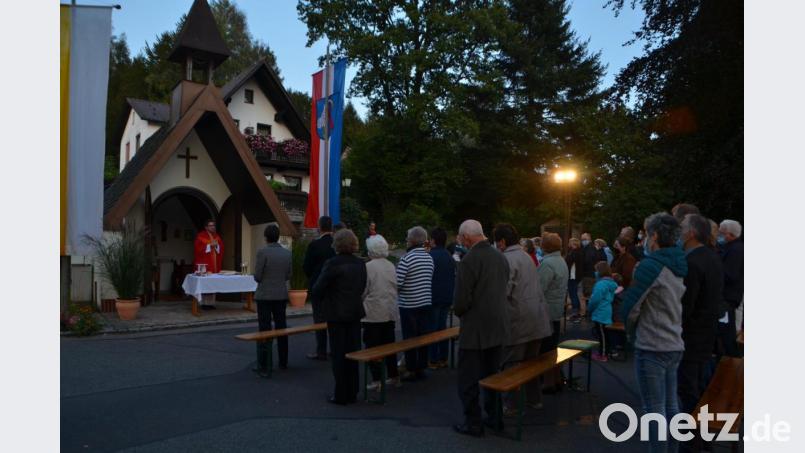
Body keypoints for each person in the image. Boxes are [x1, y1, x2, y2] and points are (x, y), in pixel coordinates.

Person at [621, 213, 688, 452]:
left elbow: (631, 307)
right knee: (671, 406)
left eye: (647, 235)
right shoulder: (679, 263)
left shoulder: (652, 266)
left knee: (654, 410)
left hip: (652, 345)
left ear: (655, 236)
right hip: (674, 342)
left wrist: (630, 332)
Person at [453, 220, 510, 437]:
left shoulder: (470, 260)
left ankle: (473, 422)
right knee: (492, 375)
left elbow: (460, 301)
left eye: (461, 238)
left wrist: (459, 311)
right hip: (498, 325)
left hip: (475, 329)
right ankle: (495, 418)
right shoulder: (499, 256)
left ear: (466, 238)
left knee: (468, 379)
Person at [493, 224, 552, 414]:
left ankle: (511, 405)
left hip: (518, 319)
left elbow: (504, 291)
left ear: (501, 242)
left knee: (512, 364)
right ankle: (534, 400)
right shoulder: (526, 256)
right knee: (531, 363)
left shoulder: (506, 259)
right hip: (537, 318)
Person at [677, 214, 724, 450]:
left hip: (692, 337)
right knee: (697, 386)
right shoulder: (711, 257)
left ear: (691, 233)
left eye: (682, 228)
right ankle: (698, 436)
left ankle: (692, 440)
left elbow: (687, 305)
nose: (679, 231)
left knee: (689, 389)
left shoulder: (693, 262)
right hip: (706, 333)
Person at [311, 229, 367, 405]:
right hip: (354, 312)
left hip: (336, 313)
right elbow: (362, 286)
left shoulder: (332, 263)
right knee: (353, 352)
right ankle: (353, 390)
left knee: (339, 354)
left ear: (337, 244)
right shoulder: (360, 263)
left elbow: (318, 288)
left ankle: (341, 393)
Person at [361, 234, 400, 389]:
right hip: (389, 310)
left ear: (371, 250)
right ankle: (393, 375)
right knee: (389, 345)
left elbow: (364, 290)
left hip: (373, 312)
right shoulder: (390, 265)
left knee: (372, 347)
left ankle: (377, 379)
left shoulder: (368, 267)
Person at [252, 224, 292, 376]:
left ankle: (264, 362)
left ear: (266, 237)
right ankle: (283, 361)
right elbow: (288, 275)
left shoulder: (263, 252)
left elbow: (257, 276)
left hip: (265, 295)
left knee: (265, 329)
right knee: (282, 328)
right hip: (280, 295)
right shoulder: (286, 253)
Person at [396, 226, 435, 381]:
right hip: (425, 302)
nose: (406, 240)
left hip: (409, 304)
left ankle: (411, 368)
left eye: (407, 237)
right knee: (423, 336)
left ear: (412, 240)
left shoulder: (407, 259)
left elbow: (398, 283)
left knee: (410, 338)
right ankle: (421, 367)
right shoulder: (428, 258)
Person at [536, 233, 568, 391]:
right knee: (551, 347)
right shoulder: (561, 261)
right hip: (556, 310)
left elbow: (539, 289)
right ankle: (555, 380)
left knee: (544, 350)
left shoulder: (547, 264)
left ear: (545, 247)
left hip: (546, 311)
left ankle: (547, 383)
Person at [303, 216, 336, 360]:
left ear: (319, 227)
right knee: (334, 318)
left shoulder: (314, 245)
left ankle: (321, 350)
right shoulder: (336, 244)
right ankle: (335, 348)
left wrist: (314, 277)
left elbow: (307, 267)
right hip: (335, 287)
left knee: (319, 319)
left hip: (318, 286)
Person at [428, 227, 456, 369]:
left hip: (433, 297)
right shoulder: (449, 256)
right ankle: (443, 358)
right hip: (447, 296)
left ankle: (433, 359)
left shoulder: (430, 256)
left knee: (433, 328)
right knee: (442, 327)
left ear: (433, 240)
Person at [717, 219, 744, 358]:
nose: (718, 235)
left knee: (727, 335)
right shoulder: (733, 248)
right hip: (730, 297)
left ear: (730, 235)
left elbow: (730, 274)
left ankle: (731, 360)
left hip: (728, 297)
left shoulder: (736, 250)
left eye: (721, 233)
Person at [587, 261, 617, 362]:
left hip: (600, 312)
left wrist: (589, 308)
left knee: (602, 335)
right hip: (606, 310)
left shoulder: (600, 284)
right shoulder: (611, 283)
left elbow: (595, 299)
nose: (595, 272)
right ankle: (606, 351)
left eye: (596, 270)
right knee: (605, 334)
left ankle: (603, 355)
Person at [193, 219, 224, 309]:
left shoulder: (217, 236)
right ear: (206, 227)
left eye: (213, 225)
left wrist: (217, 246)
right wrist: (209, 246)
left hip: (214, 265)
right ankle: (203, 303)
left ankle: (211, 303)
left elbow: (221, 248)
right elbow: (197, 249)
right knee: (205, 284)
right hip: (205, 264)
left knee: (212, 284)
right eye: (210, 225)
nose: (213, 227)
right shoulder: (200, 236)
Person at [580, 233, 608, 318]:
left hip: (588, 275)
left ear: (589, 239)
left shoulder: (589, 249)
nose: (583, 241)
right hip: (592, 274)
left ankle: (589, 314)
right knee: (591, 295)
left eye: (585, 239)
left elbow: (588, 262)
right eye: (582, 239)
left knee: (588, 295)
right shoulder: (590, 248)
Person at [565, 238, 584, 319]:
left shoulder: (574, 253)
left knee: (573, 294)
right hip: (577, 276)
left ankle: (575, 312)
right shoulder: (580, 252)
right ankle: (576, 310)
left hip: (573, 276)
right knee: (575, 293)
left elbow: (568, 261)